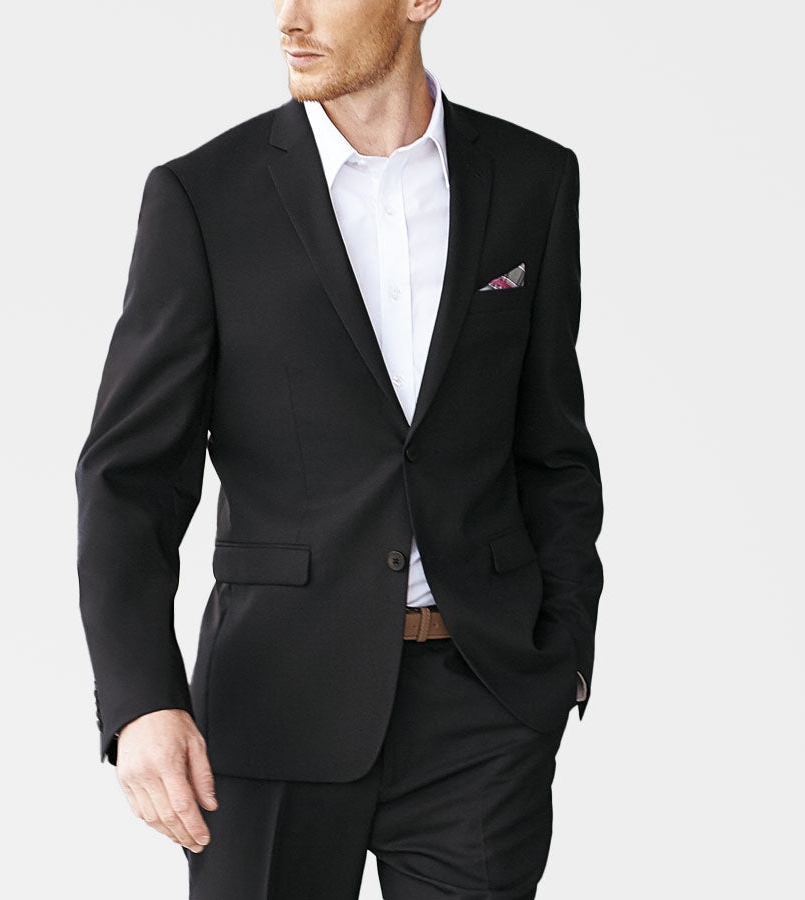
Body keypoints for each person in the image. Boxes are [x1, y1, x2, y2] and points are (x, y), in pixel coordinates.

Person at [75, 1, 604, 897]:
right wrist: (141, 700)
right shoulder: (204, 196)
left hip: (481, 710)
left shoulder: (531, 178)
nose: (291, 19)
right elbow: (130, 478)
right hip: (272, 706)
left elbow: (551, 446)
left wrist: (562, 657)